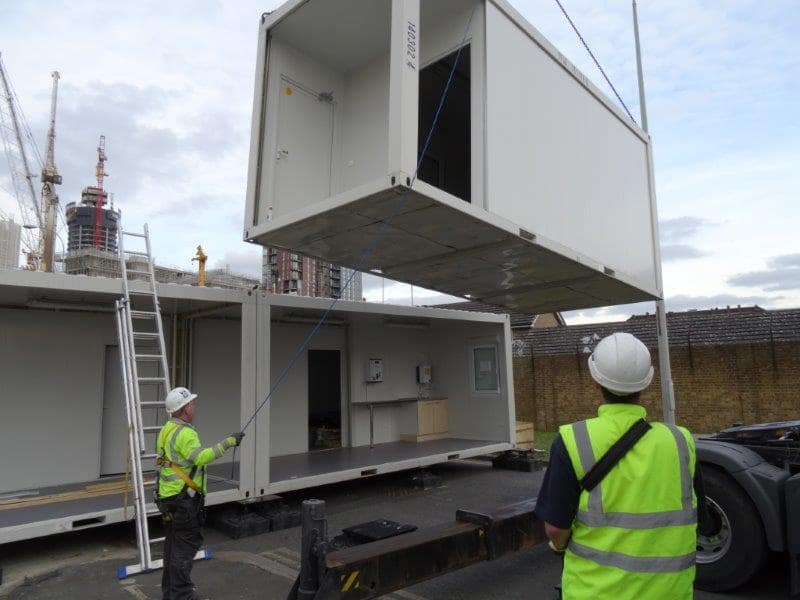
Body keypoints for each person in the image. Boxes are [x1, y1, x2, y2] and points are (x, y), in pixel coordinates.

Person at [535, 332, 717, 599]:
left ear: (596, 381)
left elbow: (555, 528)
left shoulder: (573, 440)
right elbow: (701, 519)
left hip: (595, 592)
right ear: (648, 382)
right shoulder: (680, 440)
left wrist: (560, 546)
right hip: (670, 592)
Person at [156, 386, 245, 600]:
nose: (194, 406)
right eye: (192, 403)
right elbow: (201, 457)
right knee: (184, 548)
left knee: (172, 548)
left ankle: (170, 594)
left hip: (168, 498)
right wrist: (229, 442)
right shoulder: (186, 433)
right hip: (183, 501)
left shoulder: (167, 429)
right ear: (185, 408)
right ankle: (182, 595)